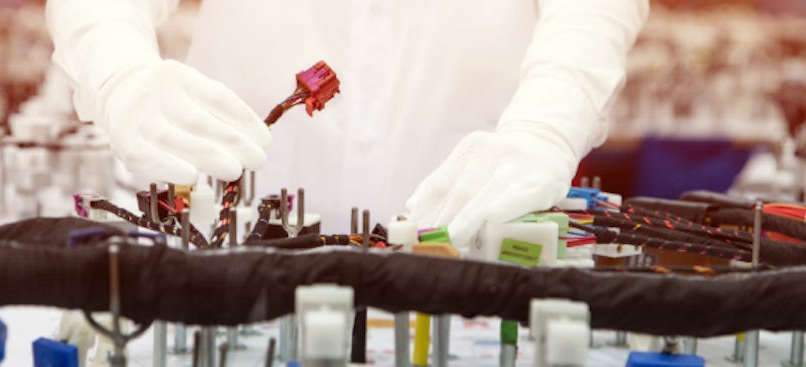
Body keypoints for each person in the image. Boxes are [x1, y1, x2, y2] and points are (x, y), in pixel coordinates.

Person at [46, 0, 648, 246]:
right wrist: (118, 72)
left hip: (469, 274)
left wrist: (547, 123)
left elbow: (591, 16)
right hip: (237, 262)